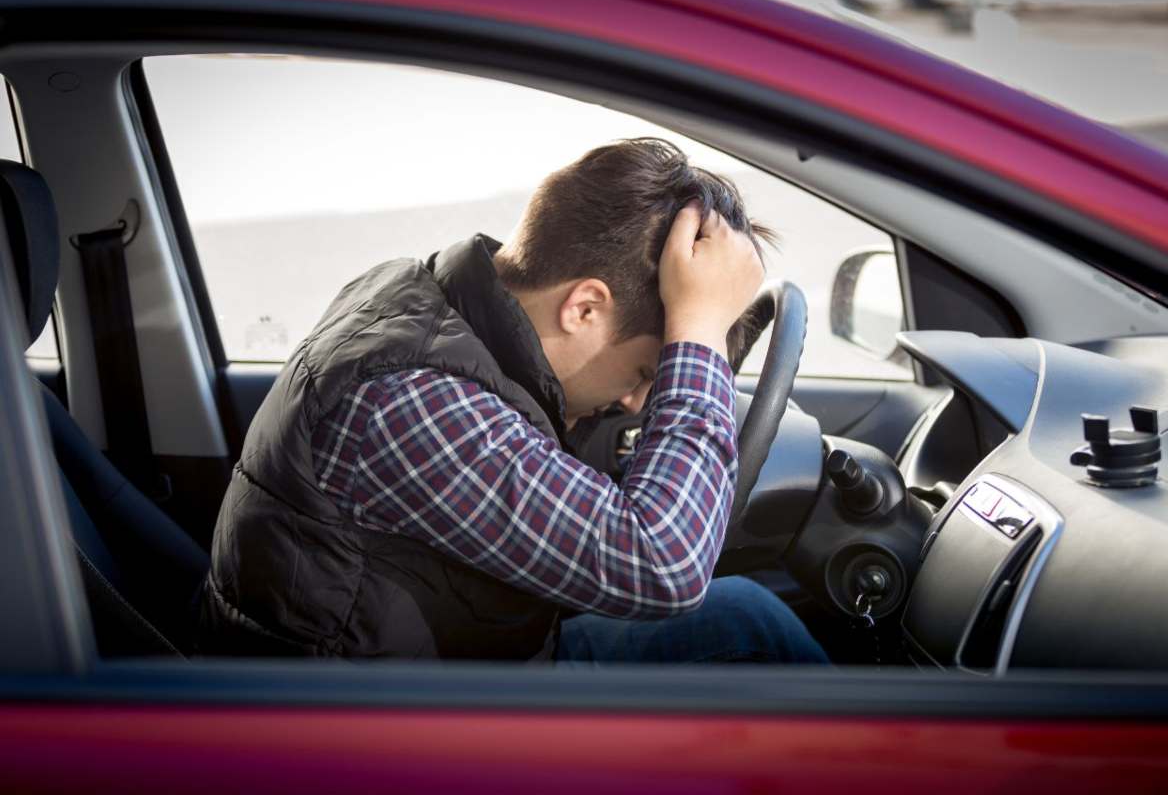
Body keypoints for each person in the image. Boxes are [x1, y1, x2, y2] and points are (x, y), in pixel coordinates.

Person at [198, 138, 828, 664]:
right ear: (584, 308)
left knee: (749, 617)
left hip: (453, 667)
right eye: (645, 370)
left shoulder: (427, 299)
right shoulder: (410, 400)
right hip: (382, 738)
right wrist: (697, 335)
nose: (639, 403)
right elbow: (665, 565)